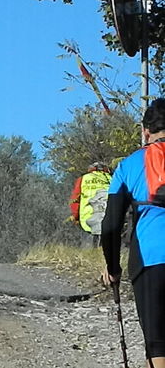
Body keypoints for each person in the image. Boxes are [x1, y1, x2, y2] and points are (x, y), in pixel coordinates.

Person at [102, 98, 165, 368]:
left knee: (158, 341)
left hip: (151, 259)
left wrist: (113, 267)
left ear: (145, 132)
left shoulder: (129, 165)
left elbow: (111, 225)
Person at [69, 162, 112, 247]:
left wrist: (75, 216)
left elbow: (75, 199)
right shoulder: (112, 179)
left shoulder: (83, 179)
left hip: (87, 218)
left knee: (88, 249)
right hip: (108, 218)